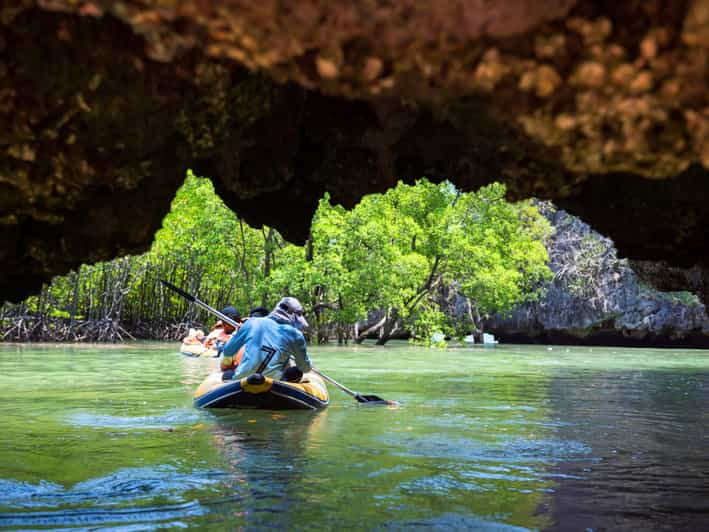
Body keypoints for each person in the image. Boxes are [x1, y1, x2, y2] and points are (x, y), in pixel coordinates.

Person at [220, 297, 311, 382]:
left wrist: (241, 332)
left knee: (227, 375)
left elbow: (228, 351)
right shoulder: (296, 335)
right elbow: (305, 368)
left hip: (243, 378)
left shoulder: (251, 322)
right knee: (296, 372)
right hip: (274, 381)